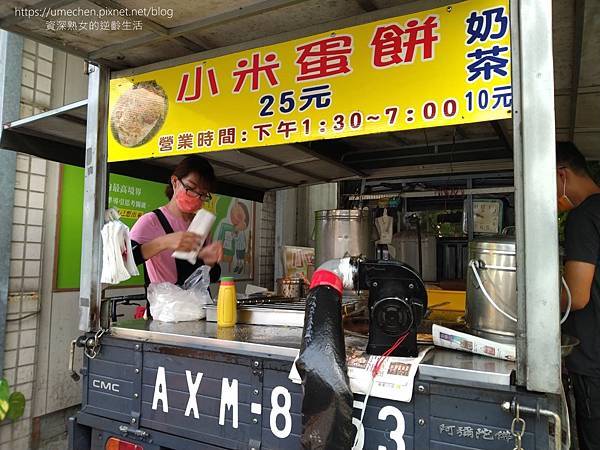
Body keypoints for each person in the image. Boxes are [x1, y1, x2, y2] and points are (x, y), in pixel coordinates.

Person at [556, 141, 600, 450]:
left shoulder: (584, 217)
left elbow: (576, 296)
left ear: (561, 175)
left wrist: (529, 309)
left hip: (592, 357)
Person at [130, 155, 223, 295]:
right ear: (175, 182)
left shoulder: (201, 225)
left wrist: (209, 261)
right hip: (166, 311)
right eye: (191, 188)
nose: (196, 197)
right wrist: (164, 242)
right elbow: (125, 262)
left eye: (203, 194)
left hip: (198, 310)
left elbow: (213, 277)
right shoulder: (151, 221)